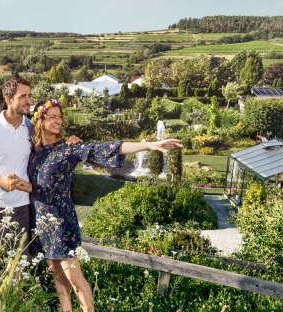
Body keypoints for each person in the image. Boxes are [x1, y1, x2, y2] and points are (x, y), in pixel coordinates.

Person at [27, 99, 183, 312]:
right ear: (39, 119)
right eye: (52, 116)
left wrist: (148, 145)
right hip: (41, 219)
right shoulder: (33, 150)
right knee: (56, 273)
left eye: (60, 116)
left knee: (73, 277)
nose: (58, 121)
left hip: (62, 220)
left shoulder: (69, 148)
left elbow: (103, 148)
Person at [0, 77, 79, 267]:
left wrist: (69, 143)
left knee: (17, 268)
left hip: (23, 208)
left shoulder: (31, 128)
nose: (29, 101)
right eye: (23, 96)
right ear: (9, 99)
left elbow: (51, 146)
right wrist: (0, 181)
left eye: (30, 95)